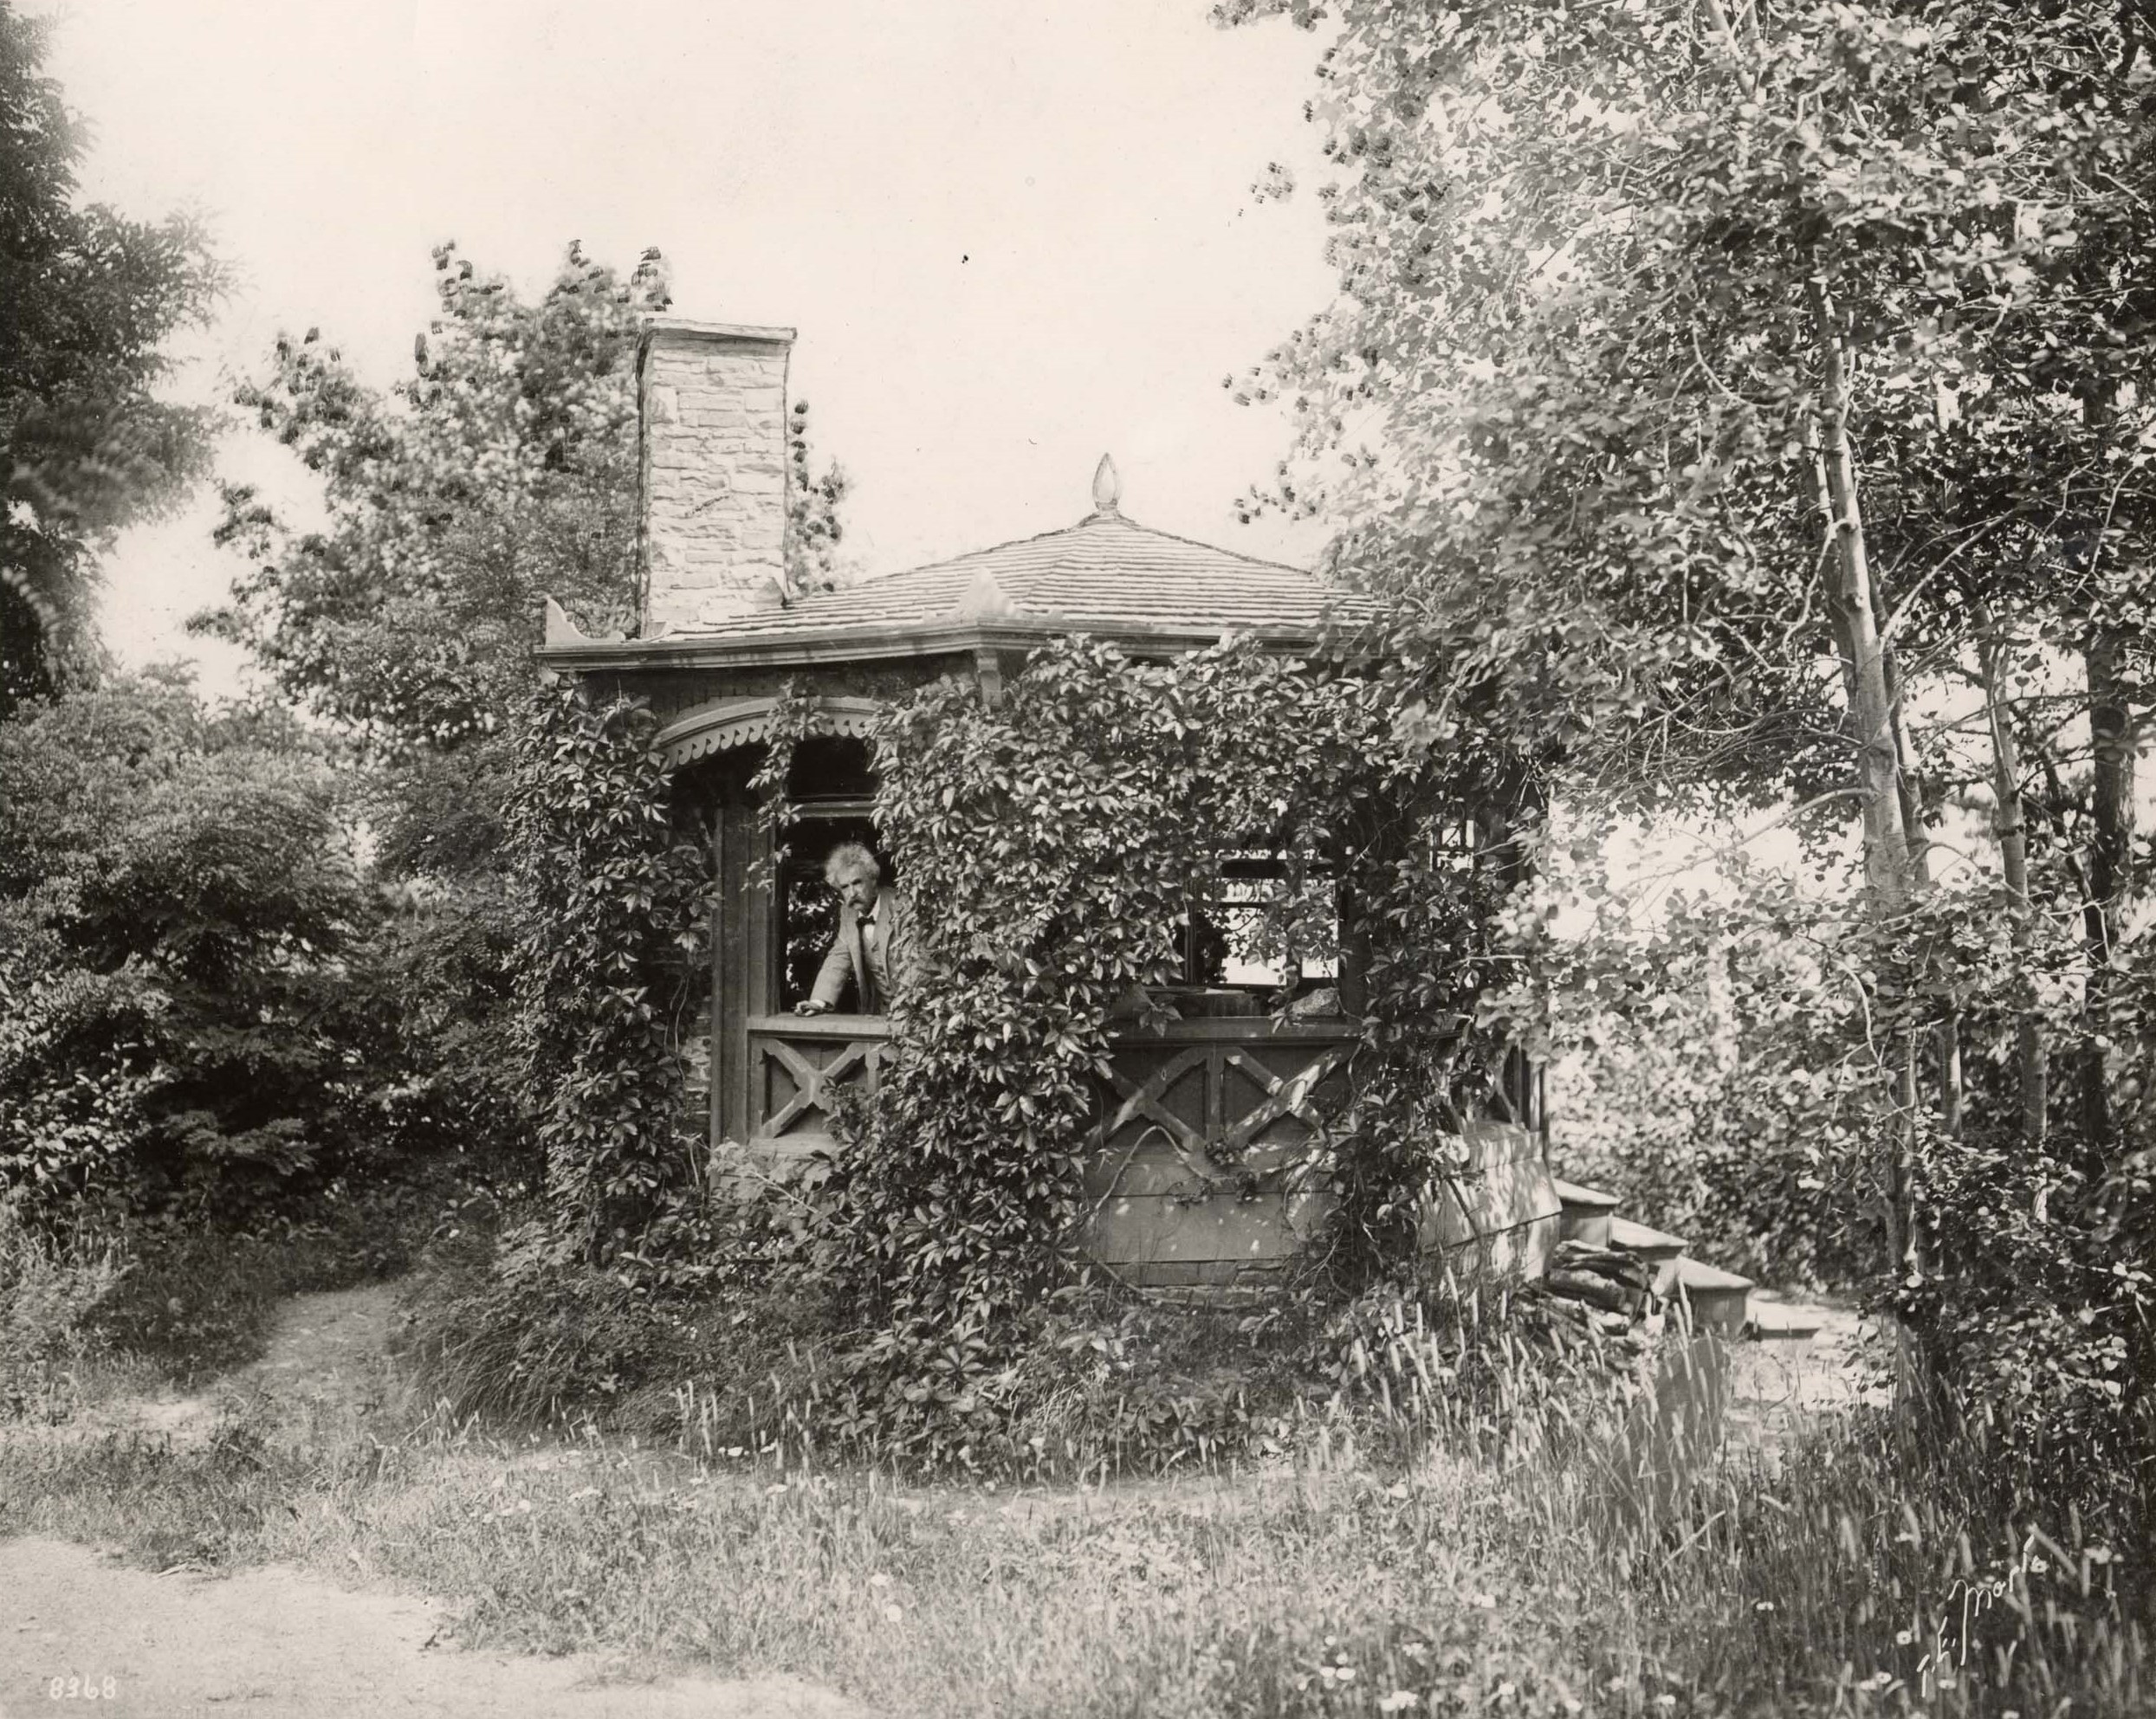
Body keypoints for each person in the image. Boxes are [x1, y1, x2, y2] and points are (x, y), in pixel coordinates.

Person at [794, 842, 914, 1015]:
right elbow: (838, 957)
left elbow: (919, 965)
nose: (852, 893)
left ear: (873, 880)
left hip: (915, 1012)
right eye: (844, 887)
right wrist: (818, 1002)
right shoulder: (848, 913)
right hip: (880, 1013)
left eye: (857, 883)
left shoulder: (902, 905)